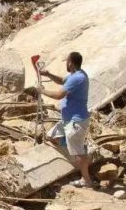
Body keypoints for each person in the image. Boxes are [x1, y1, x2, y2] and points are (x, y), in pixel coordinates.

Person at [28, 52, 93, 188]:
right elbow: (63, 81)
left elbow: (59, 95)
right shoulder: (75, 75)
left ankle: (86, 180)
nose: (65, 64)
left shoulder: (78, 78)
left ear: (70, 62)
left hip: (76, 121)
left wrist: (41, 91)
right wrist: (48, 74)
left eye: (66, 61)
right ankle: (78, 152)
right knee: (53, 136)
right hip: (68, 120)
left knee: (78, 151)